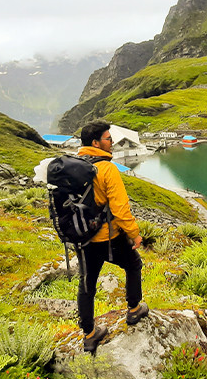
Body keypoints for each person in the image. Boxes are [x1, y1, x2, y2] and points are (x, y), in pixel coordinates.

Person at [77, 120, 149, 353]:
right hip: (108, 237)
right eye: (108, 139)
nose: (112, 142)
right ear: (96, 143)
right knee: (133, 264)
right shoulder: (107, 169)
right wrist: (135, 235)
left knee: (87, 284)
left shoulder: (74, 164)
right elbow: (120, 209)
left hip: (82, 238)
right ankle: (134, 309)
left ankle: (89, 334)